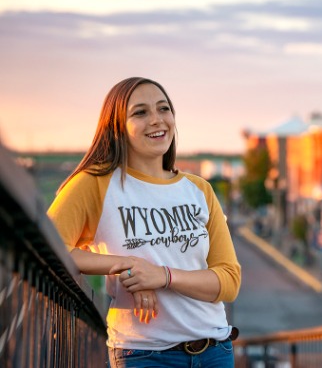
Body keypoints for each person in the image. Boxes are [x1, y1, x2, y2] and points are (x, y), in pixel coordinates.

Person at [47, 77, 241, 367]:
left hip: (214, 352)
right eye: (140, 112)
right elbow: (50, 246)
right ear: (117, 127)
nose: (156, 120)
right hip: (144, 354)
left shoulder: (199, 189)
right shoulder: (95, 184)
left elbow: (228, 280)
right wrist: (129, 265)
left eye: (163, 109)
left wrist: (163, 276)